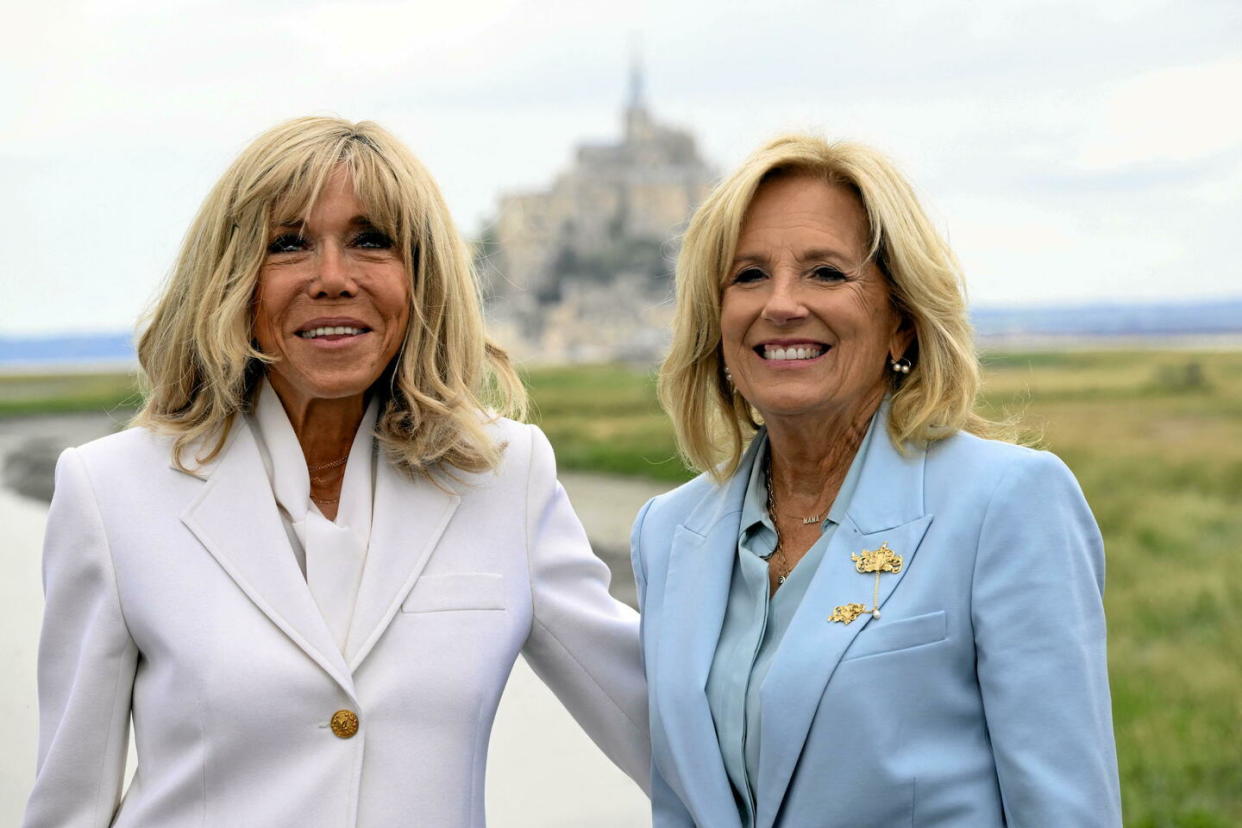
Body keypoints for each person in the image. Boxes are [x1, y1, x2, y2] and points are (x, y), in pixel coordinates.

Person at [24, 116, 648, 828]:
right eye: (289, 244)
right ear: (232, 279)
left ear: (422, 276)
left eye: (370, 241)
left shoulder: (506, 477)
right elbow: (67, 805)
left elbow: (668, 735)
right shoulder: (110, 492)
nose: (331, 279)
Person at [631, 135, 1121, 827]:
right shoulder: (667, 533)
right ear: (716, 323)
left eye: (826, 273)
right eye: (748, 276)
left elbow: (1065, 810)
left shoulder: (1005, 503)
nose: (782, 304)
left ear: (901, 320)